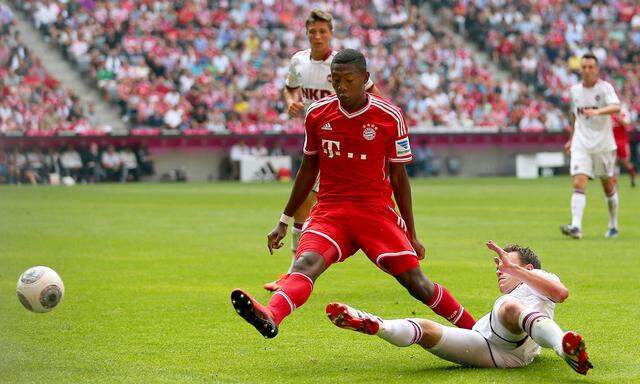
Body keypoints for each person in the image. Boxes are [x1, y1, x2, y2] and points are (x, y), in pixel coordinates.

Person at [231, 49, 475, 339]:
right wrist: (284, 219)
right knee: (306, 263)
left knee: (416, 283)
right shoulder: (317, 114)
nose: (342, 87)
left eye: (349, 79)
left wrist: (411, 231)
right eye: (336, 80)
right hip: (330, 211)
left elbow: (399, 177)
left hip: (375, 212)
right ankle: (271, 315)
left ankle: (478, 331)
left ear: (365, 79)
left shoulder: (389, 116)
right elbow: (308, 169)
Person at [326, 241, 593, 376]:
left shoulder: (543, 279)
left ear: (529, 268)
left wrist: (516, 271)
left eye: (505, 263)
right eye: (499, 265)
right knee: (425, 329)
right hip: (488, 347)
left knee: (509, 306)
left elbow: (561, 294)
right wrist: (513, 270)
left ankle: (565, 349)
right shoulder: (513, 292)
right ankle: (374, 323)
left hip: (514, 345)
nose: (500, 269)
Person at [265, 9, 383, 292]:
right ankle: (298, 270)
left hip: (339, 145)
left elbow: (375, 96)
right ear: (307, 33)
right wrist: (292, 102)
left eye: (322, 32)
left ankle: (294, 274)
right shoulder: (299, 61)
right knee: (310, 205)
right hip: (314, 140)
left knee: (305, 201)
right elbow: (290, 88)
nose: (317, 36)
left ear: (331, 33)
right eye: (312, 32)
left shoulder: (342, 64)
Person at [561, 53, 621, 239]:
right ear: (580, 69)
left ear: (596, 69)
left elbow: (616, 107)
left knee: (607, 185)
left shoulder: (605, 88)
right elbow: (574, 117)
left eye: (590, 67)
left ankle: (613, 224)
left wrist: (597, 112)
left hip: (603, 144)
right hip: (581, 143)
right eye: (584, 67)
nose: (587, 70)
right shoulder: (574, 91)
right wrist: (571, 139)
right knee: (578, 181)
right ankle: (576, 227)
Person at [611, 106, 636, 187]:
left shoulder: (622, 114)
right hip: (612, 142)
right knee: (612, 163)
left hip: (622, 142)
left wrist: (619, 117)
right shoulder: (609, 115)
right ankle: (614, 183)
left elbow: (626, 123)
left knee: (625, 163)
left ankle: (632, 177)